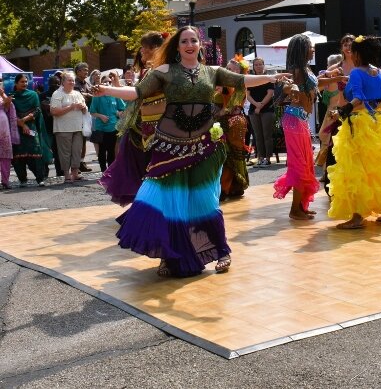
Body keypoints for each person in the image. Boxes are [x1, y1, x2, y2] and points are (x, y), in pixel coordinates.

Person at [93, 26, 290, 277]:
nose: (189, 44)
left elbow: (242, 80)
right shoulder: (164, 72)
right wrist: (106, 90)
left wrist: (272, 78)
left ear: (200, 45)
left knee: (205, 202)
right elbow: (137, 92)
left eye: (193, 40)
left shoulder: (213, 72)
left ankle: (221, 251)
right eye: (184, 41)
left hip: (205, 146)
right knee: (162, 202)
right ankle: (167, 256)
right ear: (177, 46)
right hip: (168, 145)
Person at [328, 35, 381, 229]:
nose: (351, 54)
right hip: (380, 124)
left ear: (357, 54)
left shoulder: (356, 73)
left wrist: (344, 110)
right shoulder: (378, 72)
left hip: (360, 124)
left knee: (356, 168)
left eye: (353, 51)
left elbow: (358, 98)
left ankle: (357, 216)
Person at [100, 31, 167, 205]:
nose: (141, 52)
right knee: (138, 165)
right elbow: (136, 95)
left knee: (152, 167)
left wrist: (110, 89)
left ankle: (152, 203)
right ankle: (145, 203)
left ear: (155, 49)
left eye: (144, 48)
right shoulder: (149, 71)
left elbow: (138, 94)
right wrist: (113, 87)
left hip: (159, 129)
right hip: (140, 127)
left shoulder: (163, 70)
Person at [273, 34, 321, 220]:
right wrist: (289, 88)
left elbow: (314, 88)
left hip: (300, 121)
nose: (313, 49)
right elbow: (284, 86)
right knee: (299, 165)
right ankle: (295, 210)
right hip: (293, 121)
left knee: (306, 164)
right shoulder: (295, 71)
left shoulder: (305, 69)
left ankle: (301, 206)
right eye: (310, 46)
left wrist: (338, 77)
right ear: (302, 49)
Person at [216, 57, 251, 200]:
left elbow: (232, 106)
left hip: (233, 123)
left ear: (239, 71)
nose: (228, 71)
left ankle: (227, 188)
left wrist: (218, 112)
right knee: (226, 154)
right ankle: (233, 187)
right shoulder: (223, 83)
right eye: (227, 68)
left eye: (231, 69)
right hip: (225, 122)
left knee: (231, 155)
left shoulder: (240, 85)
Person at [11, 74, 53, 187]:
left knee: (36, 152)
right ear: (16, 83)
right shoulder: (12, 97)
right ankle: (23, 180)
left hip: (31, 127)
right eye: (22, 82)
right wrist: (21, 124)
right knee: (18, 155)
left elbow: (37, 110)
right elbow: (10, 113)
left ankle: (40, 178)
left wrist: (24, 120)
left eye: (26, 81)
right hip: (16, 130)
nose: (24, 84)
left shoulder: (33, 94)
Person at [50, 71, 87, 183]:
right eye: (69, 80)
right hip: (63, 128)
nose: (72, 82)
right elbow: (54, 111)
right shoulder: (57, 94)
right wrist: (71, 107)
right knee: (65, 153)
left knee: (77, 151)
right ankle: (66, 175)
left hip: (77, 127)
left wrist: (83, 107)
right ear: (63, 82)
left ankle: (75, 174)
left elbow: (85, 109)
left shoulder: (77, 93)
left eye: (73, 80)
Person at [89, 73, 125, 174]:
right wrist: (101, 116)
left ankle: (110, 171)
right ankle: (103, 170)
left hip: (113, 127)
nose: (108, 83)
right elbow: (92, 111)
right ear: (102, 83)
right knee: (102, 151)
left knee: (111, 150)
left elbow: (122, 108)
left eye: (109, 82)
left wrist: (119, 113)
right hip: (101, 128)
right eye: (105, 82)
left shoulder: (115, 95)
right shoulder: (97, 96)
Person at [315, 52, 345, 167]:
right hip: (334, 111)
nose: (327, 67)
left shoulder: (333, 78)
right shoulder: (335, 77)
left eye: (328, 64)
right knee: (327, 138)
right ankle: (327, 168)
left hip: (333, 112)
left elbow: (316, 87)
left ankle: (327, 167)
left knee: (325, 136)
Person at [246, 57, 275, 168]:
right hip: (253, 110)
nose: (258, 66)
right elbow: (248, 95)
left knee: (267, 135)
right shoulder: (251, 79)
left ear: (264, 65)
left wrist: (261, 105)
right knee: (257, 136)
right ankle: (260, 157)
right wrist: (256, 105)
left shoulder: (269, 78)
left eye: (260, 64)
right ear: (253, 67)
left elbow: (270, 93)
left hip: (267, 109)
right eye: (256, 65)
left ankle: (267, 158)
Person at [73, 62, 93, 173]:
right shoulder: (74, 83)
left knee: (84, 139)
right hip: (76, 115)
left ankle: (81, 162)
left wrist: (87, 95)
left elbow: (90, 95)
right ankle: (75, 164)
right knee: (77, 140)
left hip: (86, 114)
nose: (86, 72)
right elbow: (78, 96)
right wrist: (87, 95)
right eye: (84, 70)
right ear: (78, 71)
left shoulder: (87, 83)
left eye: (87, 70)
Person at [0, 86, 20, 189]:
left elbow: (8, 107)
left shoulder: (2, 95)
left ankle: (5, 180)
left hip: (3, 129)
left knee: (5, 156)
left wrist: (2, 94)